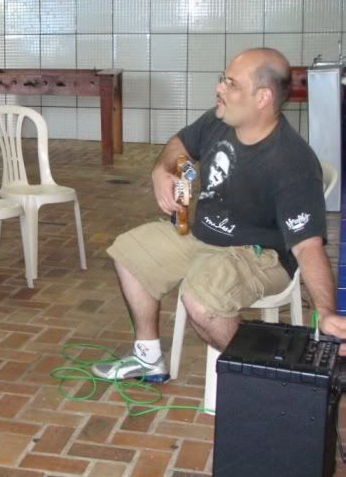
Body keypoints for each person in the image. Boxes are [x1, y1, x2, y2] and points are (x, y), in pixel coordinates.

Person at [92, 47, 346, 382]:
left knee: (201, 300)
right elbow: (180, 144)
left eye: (231, 84)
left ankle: (266, 377)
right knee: (129, 252)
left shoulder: (292, 162)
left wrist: (325, 312)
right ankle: (148, 357)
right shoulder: (219, 120)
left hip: (258, 255)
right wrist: (160, 172)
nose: (219, 89)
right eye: (222, 79)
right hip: (202, 237)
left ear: (263, 97)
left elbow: (307, 247)